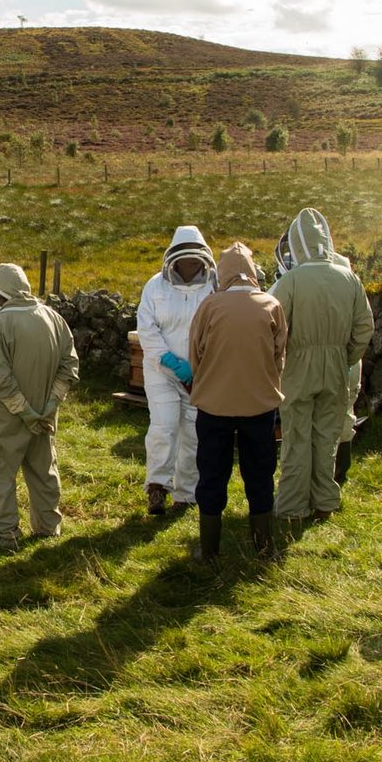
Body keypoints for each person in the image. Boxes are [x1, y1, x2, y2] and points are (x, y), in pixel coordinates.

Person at [271, 208, 374, 523]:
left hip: (297, 367)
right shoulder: (348, 277)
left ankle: (292, 506)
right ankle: (325, 501)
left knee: (297, 437)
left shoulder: (290, 280)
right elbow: (364, 328)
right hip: (335, 366)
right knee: (326, 437)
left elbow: (271, 326)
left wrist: (281, 362)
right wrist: (346, 358)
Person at [187, 243, 287, 560]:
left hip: (214, 407)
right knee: (260, 474)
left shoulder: (209, 306)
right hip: (259, 407)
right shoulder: (271, 304)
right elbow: (279, 357)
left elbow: (195, 355)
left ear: (223, 272)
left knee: (212, 475)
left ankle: (209, 551)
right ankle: (264, 547)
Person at [0, 263, 79, 551]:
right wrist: (48, 406)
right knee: (43, 471)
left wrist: (24, 411)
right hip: (44, 416)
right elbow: (69, 366)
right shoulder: (53, 317)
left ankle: (6, 536)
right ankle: (49, 529)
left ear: (0, 292)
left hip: (4, 418)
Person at [136, 226, 215, 515]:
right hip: (161, 372)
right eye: (185, 262)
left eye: (195, 262)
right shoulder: (155, 286)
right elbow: (146, 329)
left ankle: (187, 493)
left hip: (200, 373)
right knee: (164, 426)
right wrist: (170, 362)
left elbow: (217, 329)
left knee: (194, 433)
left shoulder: (212, 287)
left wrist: (198, 367)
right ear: (173, 259)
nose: (190, 267)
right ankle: (157, 487)